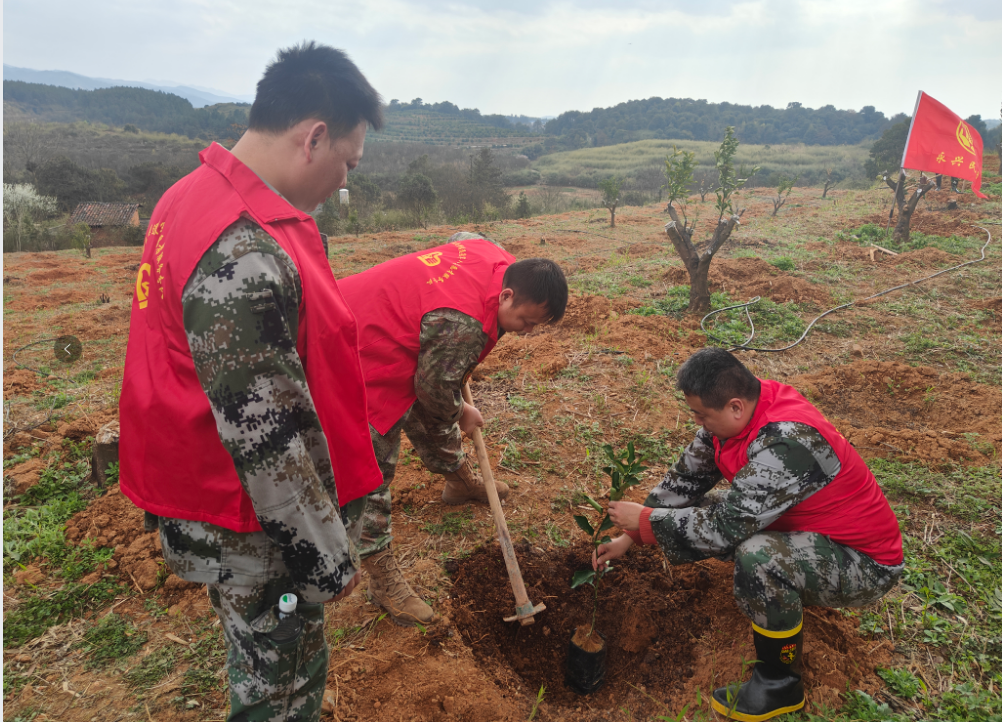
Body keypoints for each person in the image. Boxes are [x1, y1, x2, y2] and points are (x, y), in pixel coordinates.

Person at [119, 42, 385, 722]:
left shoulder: (192, 197)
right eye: (346, 164)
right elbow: (268, 439)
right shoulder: (241, 250)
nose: (343, 184)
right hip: (256, 531)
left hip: (223, 505)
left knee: (262, 649)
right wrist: (326, 558)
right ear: (314, 137)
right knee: (283, 674)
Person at [595, 347, 903, 721]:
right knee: (709, 509)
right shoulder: (738, 417)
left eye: (702, 415)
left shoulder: (786, 442)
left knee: (759, 556)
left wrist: (647, 522)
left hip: (863, 562)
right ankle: (790, 604)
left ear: (735, 407)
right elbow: (685, 479)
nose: (697, 422)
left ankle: (779, 683)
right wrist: (630, 536)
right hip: (814, 533)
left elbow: (726, 529)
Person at [336, 235, 568, 626]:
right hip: (354, 354)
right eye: (526, 322)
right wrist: (462, 410)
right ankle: (381, 576)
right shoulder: (463, 326)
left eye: (536, 325)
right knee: (371, 473)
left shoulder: (493, 256)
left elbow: (462, 239)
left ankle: (459, 482)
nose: (527, 332)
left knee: (435, 413)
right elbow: (433, 390)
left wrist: (452, 384)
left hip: (394, 329)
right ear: (507, 294)